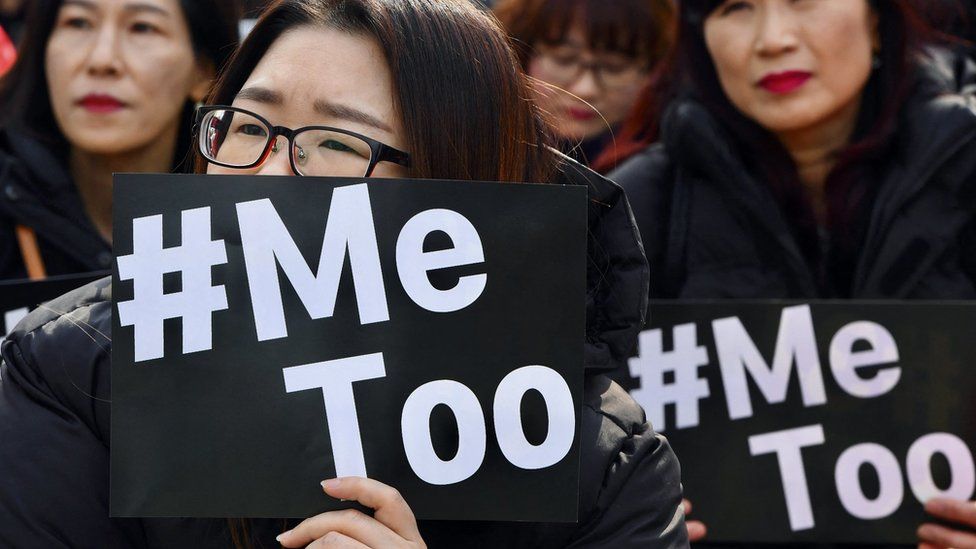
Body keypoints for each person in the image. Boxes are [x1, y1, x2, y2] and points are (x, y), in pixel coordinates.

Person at [0, 0, 689, 547]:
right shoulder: (72, 369)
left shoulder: (602, 464)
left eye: (334, 143)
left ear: (457, 191)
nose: (264, 174)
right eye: (244, 127)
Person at [607, 0, 976, 544]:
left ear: (878, 19)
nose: (772, 38)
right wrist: (626, 517)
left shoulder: (964, 172)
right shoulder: (633, 208)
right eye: (735, 7)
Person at [0, 0, 241, 281]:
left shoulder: (244, 224)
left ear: (205, 72)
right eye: (78, 22)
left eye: (142, 28)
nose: (102, 60)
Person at [492, 0, 672, 169]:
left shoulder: (673, 169)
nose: (585, 90)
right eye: (564, 59)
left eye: (614, 67)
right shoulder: (478, 147)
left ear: (654, 72)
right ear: (518, 54)